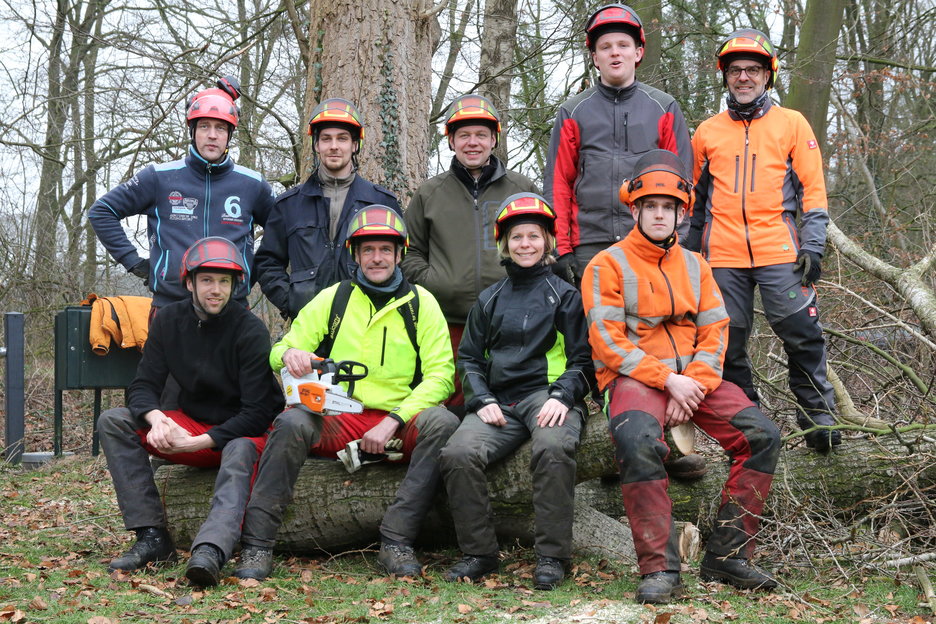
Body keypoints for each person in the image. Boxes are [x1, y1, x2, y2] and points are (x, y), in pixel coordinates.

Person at [581, 150, 780, 604]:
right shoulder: (606, 264)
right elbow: (607, 341)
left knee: (762, 435)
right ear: (634, 209)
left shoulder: (696, 265)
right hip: (633, 375)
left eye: (666, 207)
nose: (658, 214)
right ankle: (660, 567)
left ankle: (728, 555)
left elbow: (716, 331)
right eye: (649, 206)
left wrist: (694, 381)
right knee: (637, 442)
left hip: (694, 376)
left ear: (679, 213)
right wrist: (667, 381)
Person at [237, 206, 459, 580]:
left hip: (395, 423)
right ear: (355, 254)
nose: (377, 258)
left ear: (399, 254)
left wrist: (394, 421)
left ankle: (396, 540)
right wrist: (289, 355)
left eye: (385, 250)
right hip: (338, 416)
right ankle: (257, 545)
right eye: (368, 249)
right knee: (291, 422)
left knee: (442, 421)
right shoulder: (334, 298)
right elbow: (280, 350)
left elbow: (442, 376)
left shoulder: (422, 303)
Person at [97, 237, 285, 586]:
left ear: (235, 285)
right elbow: (143, 386)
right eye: (207, 280)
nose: (216, 290)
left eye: (224, 281)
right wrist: (157, 419)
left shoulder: (250, 330)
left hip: (242, 434)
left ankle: (211, 550)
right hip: (192, 426)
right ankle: (152, 537)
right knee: (114, 421)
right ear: (189, 283)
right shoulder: (169, 321)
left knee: (241, 447)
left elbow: (258, 411)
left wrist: (197, 443)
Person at [686, 29, 839, 451]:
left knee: (802, 334)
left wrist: (813, 244)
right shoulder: (707, 132)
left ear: (767, 75)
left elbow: (813, 191)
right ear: (725, 77)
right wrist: (686, 256)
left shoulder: (792, 123)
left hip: (781, 251)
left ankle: (817, 418)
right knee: (726, 342)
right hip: (723, 256)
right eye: (735, 70)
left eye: (753, 69)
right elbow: (694, 203)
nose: (744, 77)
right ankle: (746, 420)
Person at [439, 193, 594, 590]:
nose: (525, 244)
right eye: (517, 237)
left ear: (547, 241)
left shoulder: (566, 295)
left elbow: (584, 360)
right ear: (504, 244)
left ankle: (552, 556)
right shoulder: (489, 299)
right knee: (457, 452)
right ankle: (480, 553)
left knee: (553, 448)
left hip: (548, 396)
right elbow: (469, 359)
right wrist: (481, 399)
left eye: (533, 236)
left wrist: (563, 396)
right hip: (498, 403)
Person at [401, 94, 539, 412]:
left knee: (510, 402)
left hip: (512, 322)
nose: (472, 142)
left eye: (480, 134)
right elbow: (409, 253)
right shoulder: (429, 193)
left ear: (494, 139)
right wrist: (436, 282)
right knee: (450, 403)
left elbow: (545, 247)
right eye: (464, 135)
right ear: (451, 140)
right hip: (448, 324)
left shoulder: (521, 190)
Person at [89, 77, 274, 310]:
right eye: (204, 126)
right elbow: (102, 211)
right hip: (170, 306)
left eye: (220, 127)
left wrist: (252, 269)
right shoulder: (159, 177)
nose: (212, 135)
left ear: (230, 134)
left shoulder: (252, 184)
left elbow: (282, 230)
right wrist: (132, 261)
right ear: (192, 130)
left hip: (232, 309)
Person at [543, 3, 693, 283]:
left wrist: (678, 239)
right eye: (606, 46)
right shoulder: (572, 111)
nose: (615, 52)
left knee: (651, 325)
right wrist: (560, 249)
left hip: (650, 243)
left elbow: (684, 182)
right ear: (595, 57)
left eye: (623, 45)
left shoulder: (664, 108)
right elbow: (558, 183)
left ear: (637, 53)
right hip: (588, 245)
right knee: (594, 326)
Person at [254, 98, 400, 319]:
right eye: (326, 139)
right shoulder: (289, 205)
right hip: (307, 325)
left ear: (354, 145)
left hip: (365, 324)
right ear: (316, 145)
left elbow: (400, 261)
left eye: (342, 138)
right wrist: (291, 301)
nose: (334, 146)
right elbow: (267, 262)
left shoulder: (381, 203)